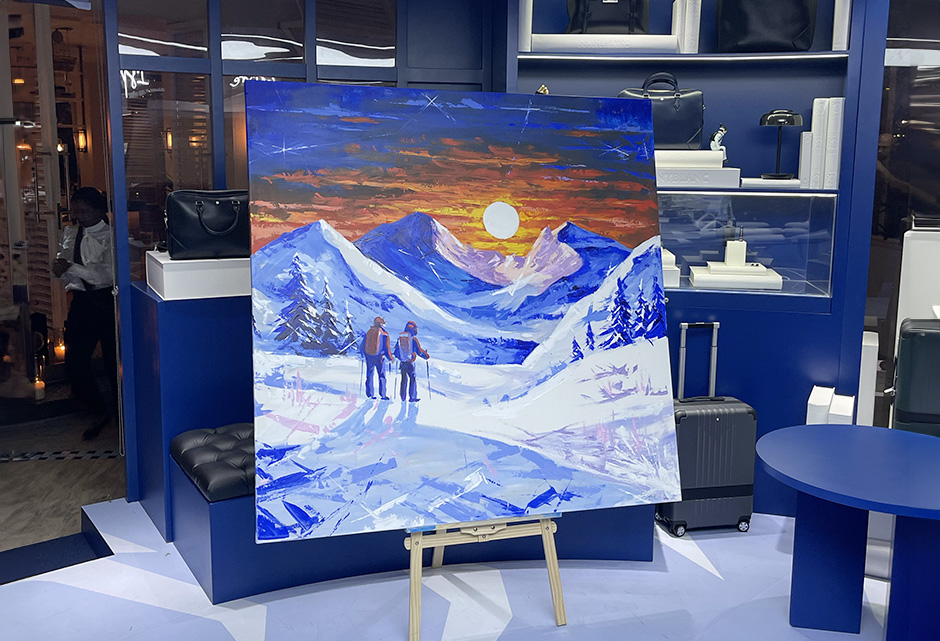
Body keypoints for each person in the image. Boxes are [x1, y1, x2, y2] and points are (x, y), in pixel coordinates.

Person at [52, 187, 118, 440]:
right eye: (75, 211)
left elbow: (106, 275)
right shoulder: (70, 233)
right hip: (81, 302)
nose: (78, 216)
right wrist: (60, 269)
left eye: (84, 211)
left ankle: (121, 412)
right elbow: (64, 268)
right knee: (75, 361)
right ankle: (98, 408)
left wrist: (71, 267)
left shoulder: (112, 235)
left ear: (99, 210)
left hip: (108, 300)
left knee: (114, 360)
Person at [393, 320, 430, 403]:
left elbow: (396, 352)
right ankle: (412, 397)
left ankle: (403, 397)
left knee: (403, 379)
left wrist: (401, 357)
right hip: (410, 363)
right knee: (412, 379)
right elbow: (419, 351)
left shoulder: (400, 338)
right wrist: (426, 356)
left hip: (402, 363)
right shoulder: (413, 339)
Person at [361, 316, 393, 400]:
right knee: (381, 376)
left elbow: (363, 345)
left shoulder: (369, 332)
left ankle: (370, 394)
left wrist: (365, 355)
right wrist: (390, 358)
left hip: (369, 357)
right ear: (381, 324)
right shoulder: (384, 333)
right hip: (379, 357)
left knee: (369, 375)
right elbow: (387, 348)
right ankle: (383, 394)